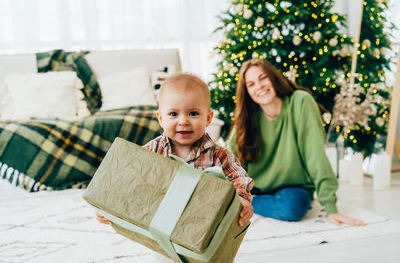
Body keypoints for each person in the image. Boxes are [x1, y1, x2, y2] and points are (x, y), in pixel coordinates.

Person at [97, 73, 254, 227]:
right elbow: (128, 178)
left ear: (208, 118)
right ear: (160, 118)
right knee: (161, 253)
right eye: (173, 114)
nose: (183, 121)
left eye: (193, 113)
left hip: (202, 223)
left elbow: (239, 177)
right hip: (160, 222)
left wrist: (242, 199)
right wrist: (109, 206)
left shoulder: (219, 155)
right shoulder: (151, 151)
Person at [227, 58, 365, 227]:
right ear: (247, 91)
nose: (259, 86)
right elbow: (228, 158)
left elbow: (315, 155)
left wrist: (331, 207)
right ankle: (247, 201)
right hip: (255, 187)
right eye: (251, 84)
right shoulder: (247, 117)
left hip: (292, 189)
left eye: (263, 78)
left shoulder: (300, 102)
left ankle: (249, 204)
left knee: (293, 207)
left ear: (273, 77)